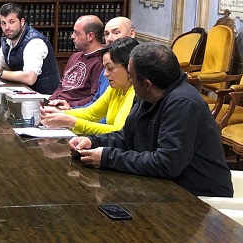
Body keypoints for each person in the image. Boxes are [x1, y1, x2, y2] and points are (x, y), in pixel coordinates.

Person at [69, 42, 233, 197]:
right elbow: (127, 138)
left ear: (147, 84)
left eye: (132, 77)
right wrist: (93, 142)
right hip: (164, 188)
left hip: (198, 198)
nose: (130, 81)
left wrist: (107, 157)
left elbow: (167, 164)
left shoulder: (183, 104)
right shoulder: (147, 95)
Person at [40, 37, 138, 135]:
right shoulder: (115, 88)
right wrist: (60, 113)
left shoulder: (135, 93)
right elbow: (91, 113)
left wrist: (71, 122)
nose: (105, 74)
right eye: (105, 68)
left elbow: (118, 132)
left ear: (129, 67)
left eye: (110, 68)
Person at [50, 16, 137, 112]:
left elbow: (108, 121)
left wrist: (69, 111)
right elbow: (94, 109)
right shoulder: (109, 75)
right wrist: (59, 107)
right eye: (106, 34)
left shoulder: (132, 85)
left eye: (116, 32)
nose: (110, 39)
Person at [0, 3, 60, 94]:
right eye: (3, 23)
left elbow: (30, 78)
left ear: (22, 22)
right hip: (22, 95)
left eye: (11, 22)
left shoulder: (34, 42)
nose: (7, 27)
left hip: (43, 98)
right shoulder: (8, 41)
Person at [48, 15, 104, 108]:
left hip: (74, 110)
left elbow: (94, 98)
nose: (72, 37)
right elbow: (62, 85)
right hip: (58, 106)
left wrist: (70, 106)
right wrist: (51, 101)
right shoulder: (75, 56)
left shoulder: (100, 61)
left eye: (77, 33)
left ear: (90, 36)